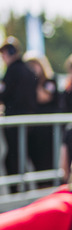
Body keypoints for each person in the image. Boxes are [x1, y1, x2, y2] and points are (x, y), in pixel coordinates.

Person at [0, 37, 38, 177]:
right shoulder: (28, 70)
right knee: (22, 154)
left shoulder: (12, 70)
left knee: (13, 156)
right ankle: (22, 186)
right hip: (29, 120)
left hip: (15, 120)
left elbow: (3, 93)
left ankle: (17, 188)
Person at [23, 52, 60, 173]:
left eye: (35, 65)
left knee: (47, 161)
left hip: (47, 130)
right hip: (34, 130)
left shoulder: (50, 81)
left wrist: (33, 82)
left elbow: (44, 97)